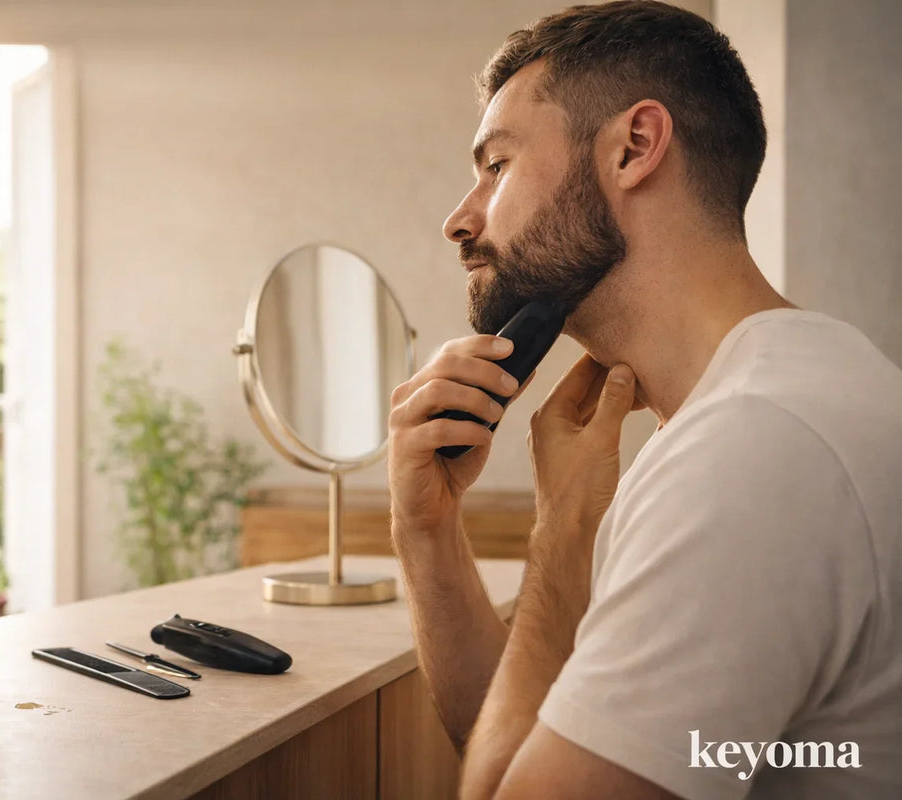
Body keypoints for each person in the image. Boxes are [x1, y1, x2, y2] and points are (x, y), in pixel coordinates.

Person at [386, 2, 902, 798]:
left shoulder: (753, 451)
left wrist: (561, 532)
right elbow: (530, 748)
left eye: (497, 166)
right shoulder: (747, 410)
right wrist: (427, 535)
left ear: (634, 147)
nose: (460, 219)